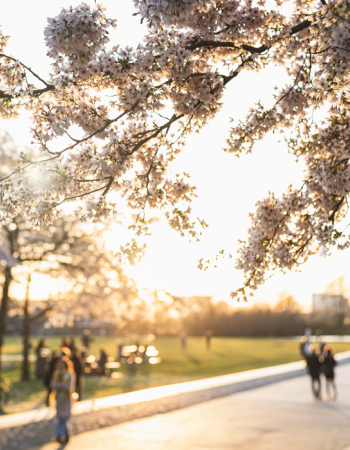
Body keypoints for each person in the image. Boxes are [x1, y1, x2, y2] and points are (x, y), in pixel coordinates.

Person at [51, 357, 75, 444]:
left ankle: (59, 433)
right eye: (60, 365)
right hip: (58, 397)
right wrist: (60, 385)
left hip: (66, 397)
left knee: (64, 416)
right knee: (60, 416)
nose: (61, 367)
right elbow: (52, 384)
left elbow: (67, 386)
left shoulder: (69, 374)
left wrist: (58, 385)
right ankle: (67, 434)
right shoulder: (56, 374)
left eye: (63, 365)